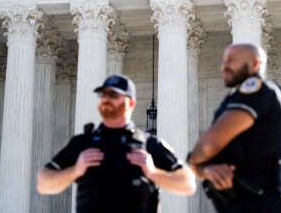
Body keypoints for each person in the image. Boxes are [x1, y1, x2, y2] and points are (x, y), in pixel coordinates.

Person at [37, 74, 196, 213]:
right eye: (103, 94)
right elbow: (43, 184)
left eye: (113, 95)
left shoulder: (148, 144)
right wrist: (75, 170)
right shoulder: (83, 143)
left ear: (131, 103)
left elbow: (188, 184)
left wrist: (153, 173)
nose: (106, 99)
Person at [187, 43, 281, 213]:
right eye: (224, 60)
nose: (225, 66)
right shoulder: (236, 97)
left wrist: (194, 162)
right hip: (240, 202)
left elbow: (210, 143)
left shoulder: (258, 92)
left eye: (232, 60)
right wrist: (204, 169)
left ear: (255, 64)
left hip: (259, 204)